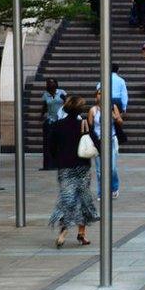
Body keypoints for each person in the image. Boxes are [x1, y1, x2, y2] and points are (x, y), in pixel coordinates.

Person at [48, 96, 98, 248]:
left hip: (65, 167)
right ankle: (80, 233)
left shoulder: (57, 125)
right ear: (80, 110)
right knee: (83, 199)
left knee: (67, 200)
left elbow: (51, 147)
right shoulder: (83, 125)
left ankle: (66, 232)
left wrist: (58, 158)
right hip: (82, 167)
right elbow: (96, 142)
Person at [89, 88, 122, 199]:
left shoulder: (113, 107)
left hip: (111, 140)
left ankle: (114, 187)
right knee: (99, 170)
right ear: (96, 96)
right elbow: (90, 127)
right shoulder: (93, 110)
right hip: (98, 141)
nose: (101, 95)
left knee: (112, 168)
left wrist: (114, 116)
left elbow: (120, 122)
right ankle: (101, 192)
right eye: (99, 93)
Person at [41, 78, 67, 170]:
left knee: (59, 143)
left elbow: (67, 103)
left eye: (52, 83)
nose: (50, 85)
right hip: (50, 120)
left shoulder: (61, 93)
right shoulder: (45, 94)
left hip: (60, 120)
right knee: (49, 143)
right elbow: (44, 106)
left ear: (56, 84)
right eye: (48, 83)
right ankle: (48, 164)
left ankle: (59, 163)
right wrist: (41, 116)